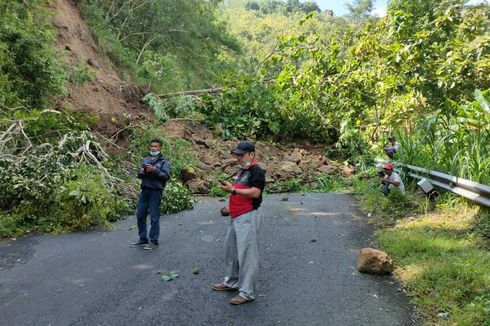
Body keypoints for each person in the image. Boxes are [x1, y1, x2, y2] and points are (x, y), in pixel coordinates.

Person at [212, 140, 266, 305]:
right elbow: (240, 193)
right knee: (231, 250)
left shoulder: (257, 170)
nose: (239, 158)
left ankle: (247, 292)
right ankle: (232, 282)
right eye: (237, 155)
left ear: (252, 154)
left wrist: (232, 189)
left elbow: (255, 193)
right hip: (237, 215)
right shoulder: (242, 170)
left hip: (248, 216)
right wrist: (230, 207)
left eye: (241, 155)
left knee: (247, 255)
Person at [130, 139, 170, 250]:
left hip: (156, 191)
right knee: (140, 214)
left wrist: (155, 170)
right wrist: (140, 172)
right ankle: (143, 238)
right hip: (145, 189)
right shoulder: (146, 159)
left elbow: (166, 176)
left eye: (156, 147)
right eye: (152, 146)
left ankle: (153, 241)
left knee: (154, 216)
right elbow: (140, 174)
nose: (153, 148)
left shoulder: (164, 161)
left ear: (160, 148)